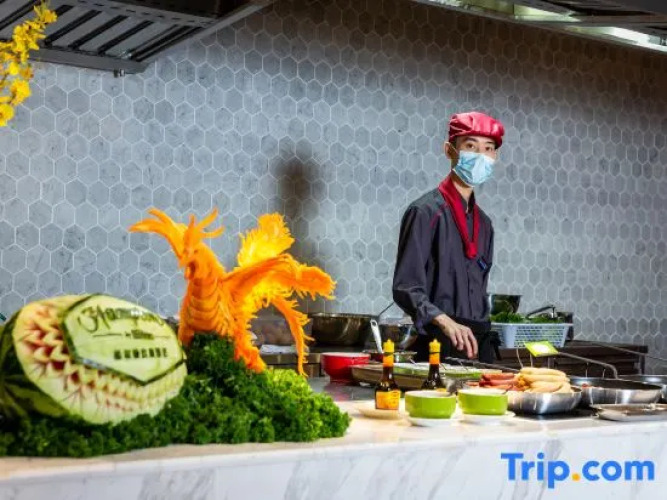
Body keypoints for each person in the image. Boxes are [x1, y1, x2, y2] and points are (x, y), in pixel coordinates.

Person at [392, 111, 504, 364]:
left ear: (495, 156)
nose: (480, 155)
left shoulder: (485, 224)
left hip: (477, 344)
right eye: (470, 146)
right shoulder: (424, 212)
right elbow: (405, 287)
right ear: (449, 150)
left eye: (488, 148)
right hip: (438, 342)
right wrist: (444, 321)